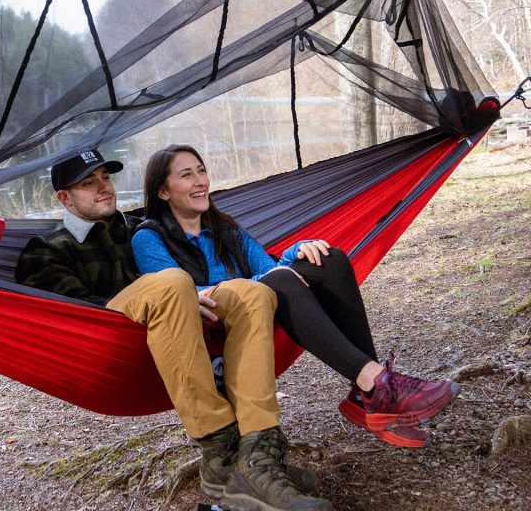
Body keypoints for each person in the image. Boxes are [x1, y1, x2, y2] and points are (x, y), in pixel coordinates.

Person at [15, 149, 333, 511]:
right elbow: (68, 316)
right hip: (108, 332)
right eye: (89, 183)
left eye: (106, 177)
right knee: (171, 282)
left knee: (252, 293)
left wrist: (188, 296)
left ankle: (256, 454)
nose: (104, 188)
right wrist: (172, 295)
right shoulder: (46, 250)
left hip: (175, 322)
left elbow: (202, 251)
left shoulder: (140, 229)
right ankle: (219, 446)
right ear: (63, 197)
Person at [131, 144, 461, 455]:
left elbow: (269, 270)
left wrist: (296, 252)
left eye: (201, 170)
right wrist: (266, 279)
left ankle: (370, 390)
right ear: (163, 191)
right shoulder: (148, 238)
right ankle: (378, 388)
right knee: (276, 280)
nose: (200, 181)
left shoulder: (226, 229)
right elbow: (174, 292)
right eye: (186, 174)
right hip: (212, 323)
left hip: (261, 304)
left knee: (327, 258)